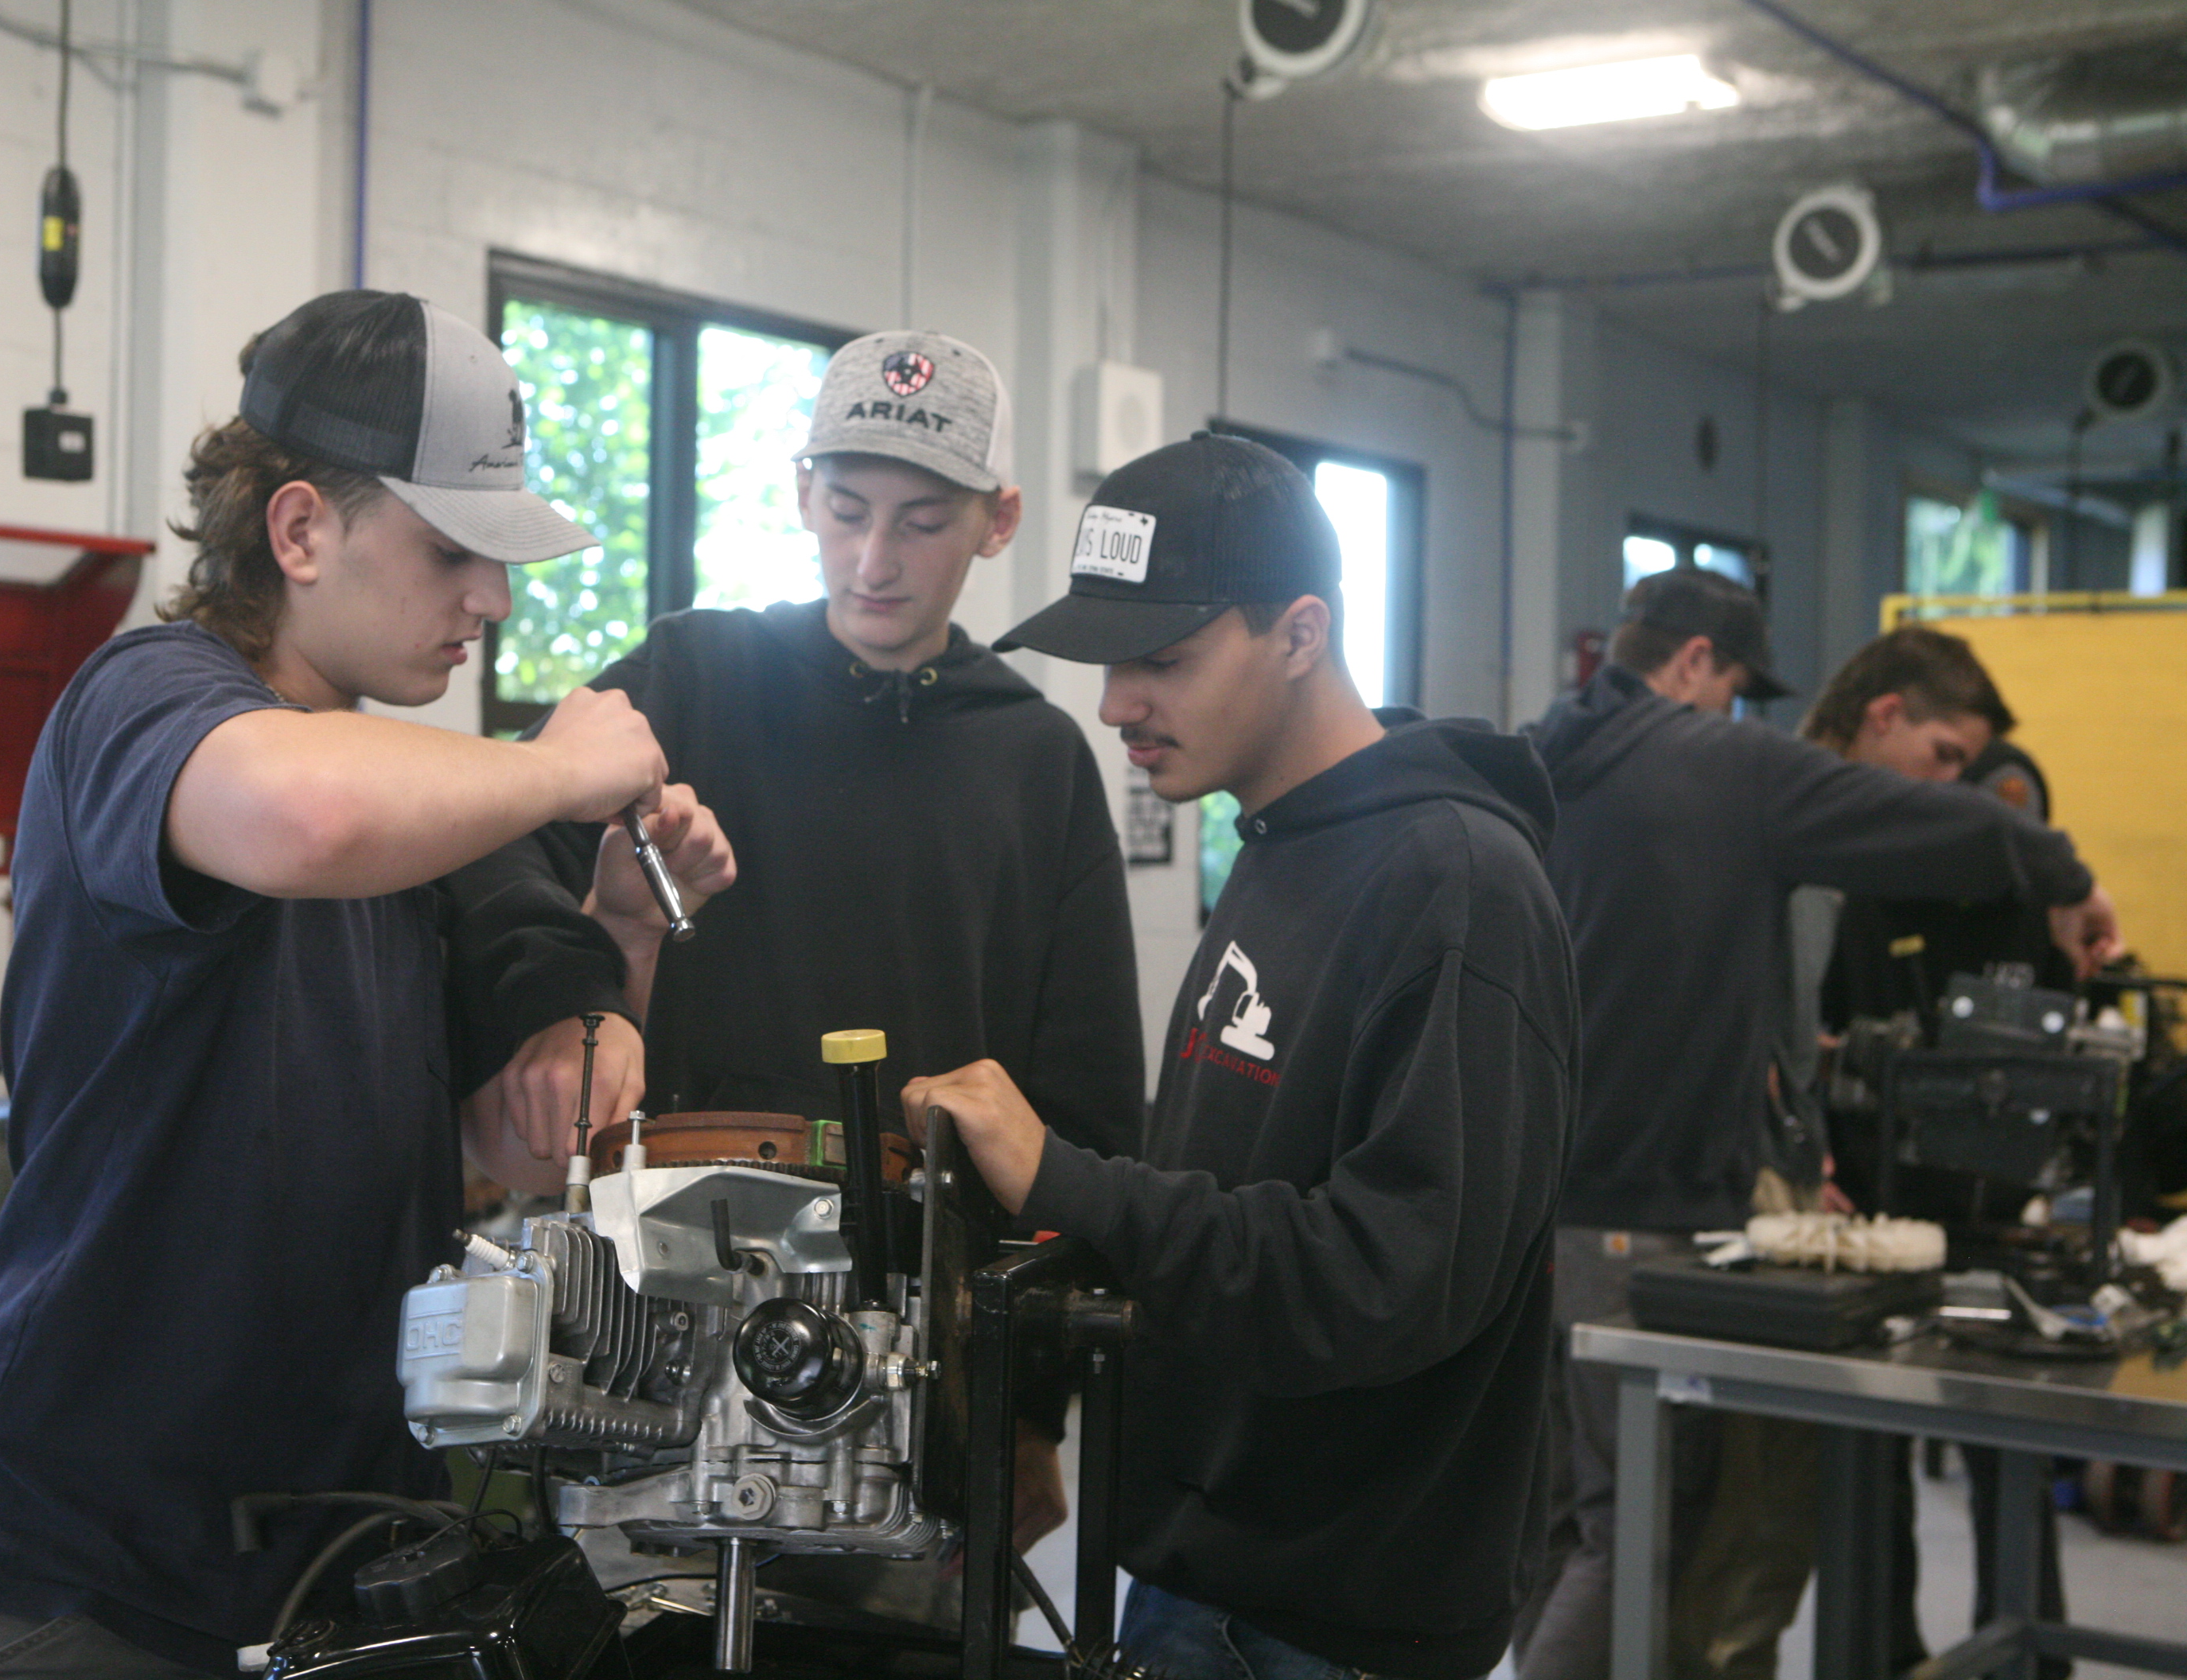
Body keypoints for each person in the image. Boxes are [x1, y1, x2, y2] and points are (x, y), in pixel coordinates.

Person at [0, 290, 734, 1677]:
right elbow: (300, 817)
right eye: (454, 551)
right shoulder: (147, 701)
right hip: (82, 1584)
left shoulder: (394, 808)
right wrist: (565, 767)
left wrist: (619, 944)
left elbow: (497, 1146)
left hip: (319, 1577)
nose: (493, 602)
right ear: (299, 528)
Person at [445, 329, 1147, 1601]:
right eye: (847, 510)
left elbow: (1086, 1097)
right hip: (656, 1347)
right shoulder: (693, 675)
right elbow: (498, 843)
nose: (876, 560)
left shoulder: (1037, 761)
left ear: (998, 523)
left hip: (924, 1361)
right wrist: (573, 1004)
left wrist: (1034, 1410)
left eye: (923, 523)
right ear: (798, 493)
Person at [908, 432, 1577, 1680]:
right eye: (1110, 662)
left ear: (1303, 633)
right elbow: (1227, 1192)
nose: (1116, 704)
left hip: (1331, 1618)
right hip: (1200, 1574)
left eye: (1163, 659)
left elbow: (1386, 1282)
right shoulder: (1277, 842)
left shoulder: (1458, 884)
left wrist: (1067, 1177)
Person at [1515, 572, 2122, 1680]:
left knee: (1559, 1522)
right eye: (1735, 686)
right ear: (1696, 661)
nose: (1738, 713)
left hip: (1533, 1209)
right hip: (1641, 1214)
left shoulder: (1544, 752)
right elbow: (1941, 825)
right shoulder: (1720, 765)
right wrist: (2064, 876)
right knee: (1642, 1528)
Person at [1802, 625, 2074, 1678]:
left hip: (1989, 1214)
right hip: (1864, 1219)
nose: (1960, 790)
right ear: (1886, 719)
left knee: (2009, 1470)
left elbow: (2049, 1026)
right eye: (1947, 761)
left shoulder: (1994, 881)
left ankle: (2027, 1663)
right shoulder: (1831, 858)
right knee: (1862, 1484)